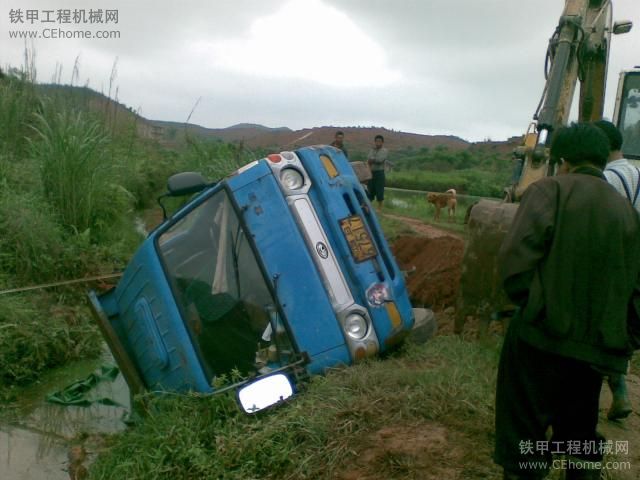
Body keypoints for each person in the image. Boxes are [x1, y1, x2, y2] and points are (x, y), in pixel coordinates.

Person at [494, 123, 640, 480]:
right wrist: (622, 338)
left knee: (524, 433)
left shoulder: (549, 192)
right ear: (603, 158)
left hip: (539, 340)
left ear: (563, 161)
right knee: (578, 433)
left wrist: (534, 309)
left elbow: (515, 264)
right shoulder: (626, 212)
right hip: (595, 350)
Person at [595, 119, 639, 420]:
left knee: (601, 320)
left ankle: (608, 387)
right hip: (636, 258)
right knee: (623, 322)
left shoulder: (608, 179)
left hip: (615, 258)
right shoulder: (636, 172)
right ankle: (620, 391)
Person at [367, 134, 388, 209]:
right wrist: (373, 159)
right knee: (370, 190)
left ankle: (380, 207)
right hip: (371, 172)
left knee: (379, 190)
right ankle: (368, 207)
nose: (378, 143)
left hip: (379, 172)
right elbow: (368, 159)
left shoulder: (384, 151)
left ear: (382, 142)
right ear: (375, 142)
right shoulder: (372, 150)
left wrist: (373, 159)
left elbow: (380, 160)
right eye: (377, 141)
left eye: (380, 141)